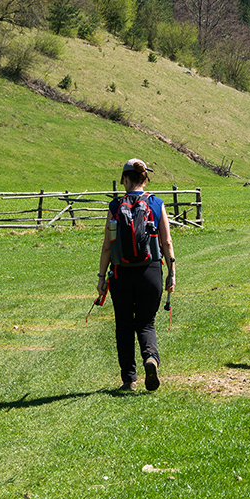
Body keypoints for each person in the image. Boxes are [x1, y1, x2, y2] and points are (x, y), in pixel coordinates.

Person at [96, 158, 176, 391]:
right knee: (146, 323)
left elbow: (107, 247)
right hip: (150, 271)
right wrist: (172, 273)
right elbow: (167, 241)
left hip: (121, 273)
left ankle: (128, 379)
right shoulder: (156, 203)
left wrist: (102, 278)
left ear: (125, 179)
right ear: (145, 178)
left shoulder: (114, 207)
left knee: (123, 326)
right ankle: (150, 358)